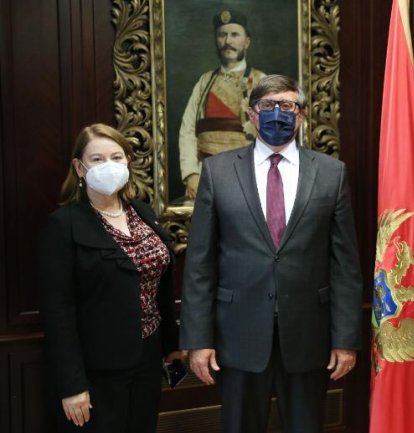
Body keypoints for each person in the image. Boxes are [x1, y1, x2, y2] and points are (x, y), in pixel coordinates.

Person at [180, 74, 363, 433]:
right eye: (267, 105)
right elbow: (200, 263)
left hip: (308, 336)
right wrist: (197, 340)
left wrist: (345, 339)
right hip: (237, 335)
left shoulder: (332, 173)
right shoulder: (217, 171)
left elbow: (345, 266)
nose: (277, 113)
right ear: (251, 114)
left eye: (287, 106)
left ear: (301, 115)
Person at [36, 123, 184, 432]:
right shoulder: (64, 225)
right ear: (80, 168)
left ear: (128, 161)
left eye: (116, 157)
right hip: (97, 369)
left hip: (148, 358)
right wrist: (72, 385)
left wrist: (172, 347)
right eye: (97, 159)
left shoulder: (143, 213)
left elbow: (161, 286)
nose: (109, 166)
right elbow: (58, 312)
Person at [179, 7, 266, 199]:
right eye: (222, 35)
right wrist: (191, 174)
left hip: (250, 177)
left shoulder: (262, 82)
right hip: (206, 176)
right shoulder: (204, 82)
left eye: (235, 35)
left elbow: (273, 135)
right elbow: (187, 130)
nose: (228, 41)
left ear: (247, 41)